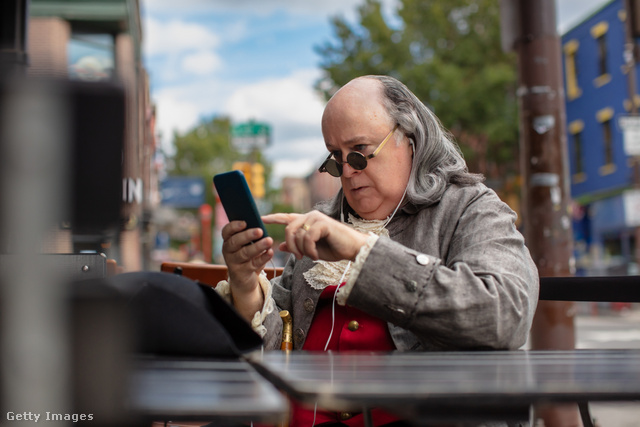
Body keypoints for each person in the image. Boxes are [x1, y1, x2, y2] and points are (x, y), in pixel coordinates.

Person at [217, 75, 539, 426]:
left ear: (410, 138)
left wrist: (362, 250)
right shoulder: (323, 220)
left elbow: (504, 315)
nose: (349, 173)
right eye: (337, 159)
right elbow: (281, 349)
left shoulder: (470, 209)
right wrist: (246, 283)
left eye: (360, 152)